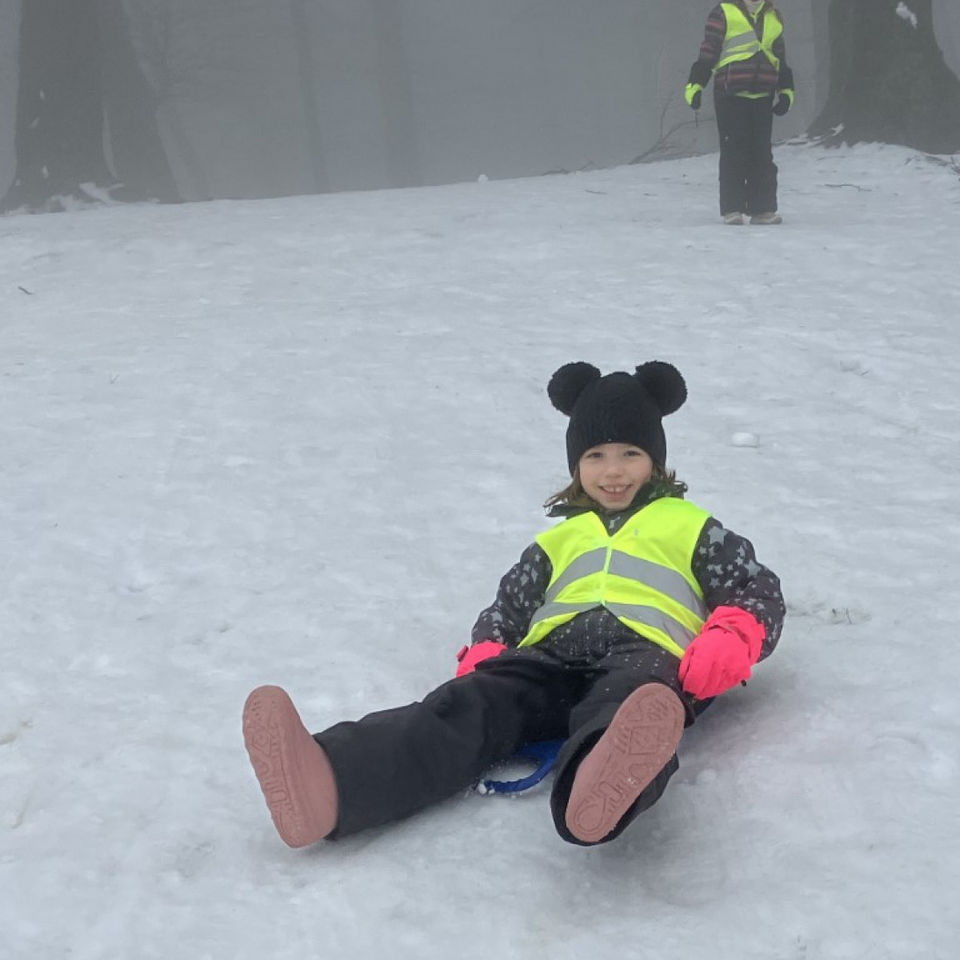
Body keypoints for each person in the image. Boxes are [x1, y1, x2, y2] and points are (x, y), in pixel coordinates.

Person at [242, 360, 786, 848]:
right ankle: (332, 780)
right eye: (595, 455)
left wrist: (732, 636)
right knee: (469, 707)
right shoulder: (556, 542)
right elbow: (508, 606)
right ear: (576, 465)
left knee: (627, 705)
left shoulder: (691, 527)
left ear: (656, 461)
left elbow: (755, 591)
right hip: (547, 656)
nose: (613, 470)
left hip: (644, 651)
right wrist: (486, 652)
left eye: (630, 453)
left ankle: (599, 782)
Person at [685, 1, 796, 225]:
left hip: (762, 94)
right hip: (730, 94)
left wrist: (786, 90)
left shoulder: (773, 16)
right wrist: (695, 85)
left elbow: (779, 58)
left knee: (762, 153)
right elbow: (709, 52)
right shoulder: (723, 12)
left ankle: (762, 209)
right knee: (734, 150)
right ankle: (732, 209)